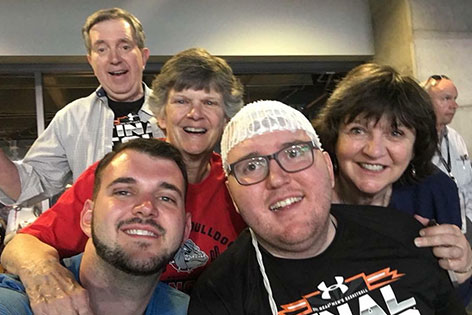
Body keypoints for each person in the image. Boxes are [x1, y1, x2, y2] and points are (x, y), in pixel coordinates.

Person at [1, 47, 246, 313]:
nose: (195, 113)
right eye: (181, 101)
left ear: (226, 119)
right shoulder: (116, 176)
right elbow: (23, 245)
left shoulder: (239, 186)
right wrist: (47, 279)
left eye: (209, 102)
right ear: (161, 116)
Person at [188, 100, 465, 314]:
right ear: (232, 197)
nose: (278, 179)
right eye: (251, 166)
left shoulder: (406, 235)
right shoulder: (219, 295)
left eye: (294, 153)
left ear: (328, 169)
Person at [312, 63, 472, 303]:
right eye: (358, 130)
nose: (374, 151)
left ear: (416, 146)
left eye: (395, 133)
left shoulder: (435, 191)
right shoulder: (307, 199)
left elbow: (451, 300)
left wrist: (462, 271)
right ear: (334, 137)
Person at [0, 138, 190, 314]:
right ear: (88, 218)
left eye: (166, 198)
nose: (147, 207)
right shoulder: (12, 304)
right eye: (123, 192)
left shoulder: (193, 308)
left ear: (186, 230)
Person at [0, 7, 163, 207]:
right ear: (91, 61)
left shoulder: (172, 113)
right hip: (97, 237)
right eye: (101, 49)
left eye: (125, 46)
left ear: (144, 57)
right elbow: (27, 188)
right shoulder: (71, 119)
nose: (114, 58)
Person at [423, 74, 472, 231]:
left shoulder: (456, 138)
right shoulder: (414, 141)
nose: (454, 105)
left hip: (465, 224)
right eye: (446, 98)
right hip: (436, 229)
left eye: (455, 98)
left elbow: (468, 184)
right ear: (426, 101)